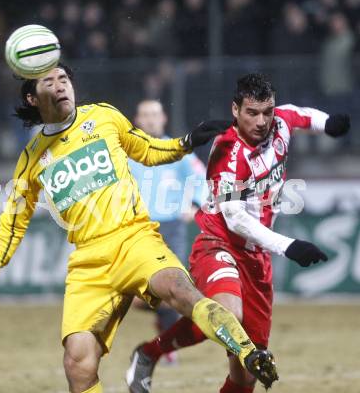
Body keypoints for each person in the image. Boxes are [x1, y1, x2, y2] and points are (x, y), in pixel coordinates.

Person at [0, 65, 279, 393]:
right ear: (32, 97)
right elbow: (13, 222)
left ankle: (250, 353)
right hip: (88, 262)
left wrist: (185, 143)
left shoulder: (102, 117)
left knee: (180, 290)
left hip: (134, 238)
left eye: (64, 79)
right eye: (49, 81)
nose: (61, 86)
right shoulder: (32, 159)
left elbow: (146, 149)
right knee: (77, 362)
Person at [127, 73, 350, 393]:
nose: (262, 121)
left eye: (267, 111)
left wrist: (328, 123)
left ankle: (153, 352)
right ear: (235, 110)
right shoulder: (227, 153)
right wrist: (289, 246)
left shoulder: (279, 122)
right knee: (226, 313)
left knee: (247, 371)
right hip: (220, 243)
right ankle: (150, 353)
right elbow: (236, 221)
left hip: (256, 256)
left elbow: (301, 113)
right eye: (252, 113)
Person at [129, 99, 207, 365]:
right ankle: (163, 332)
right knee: (132, 295)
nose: (150, 119)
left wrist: (195, 204)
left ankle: (164, 346)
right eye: (145, 114)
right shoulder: (127, 153)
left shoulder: (179, 151)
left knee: (170, 287)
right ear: (137, 120)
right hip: (136, 228)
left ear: (163, 119)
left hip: (171, 227)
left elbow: (202, 179)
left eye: (155, 114)